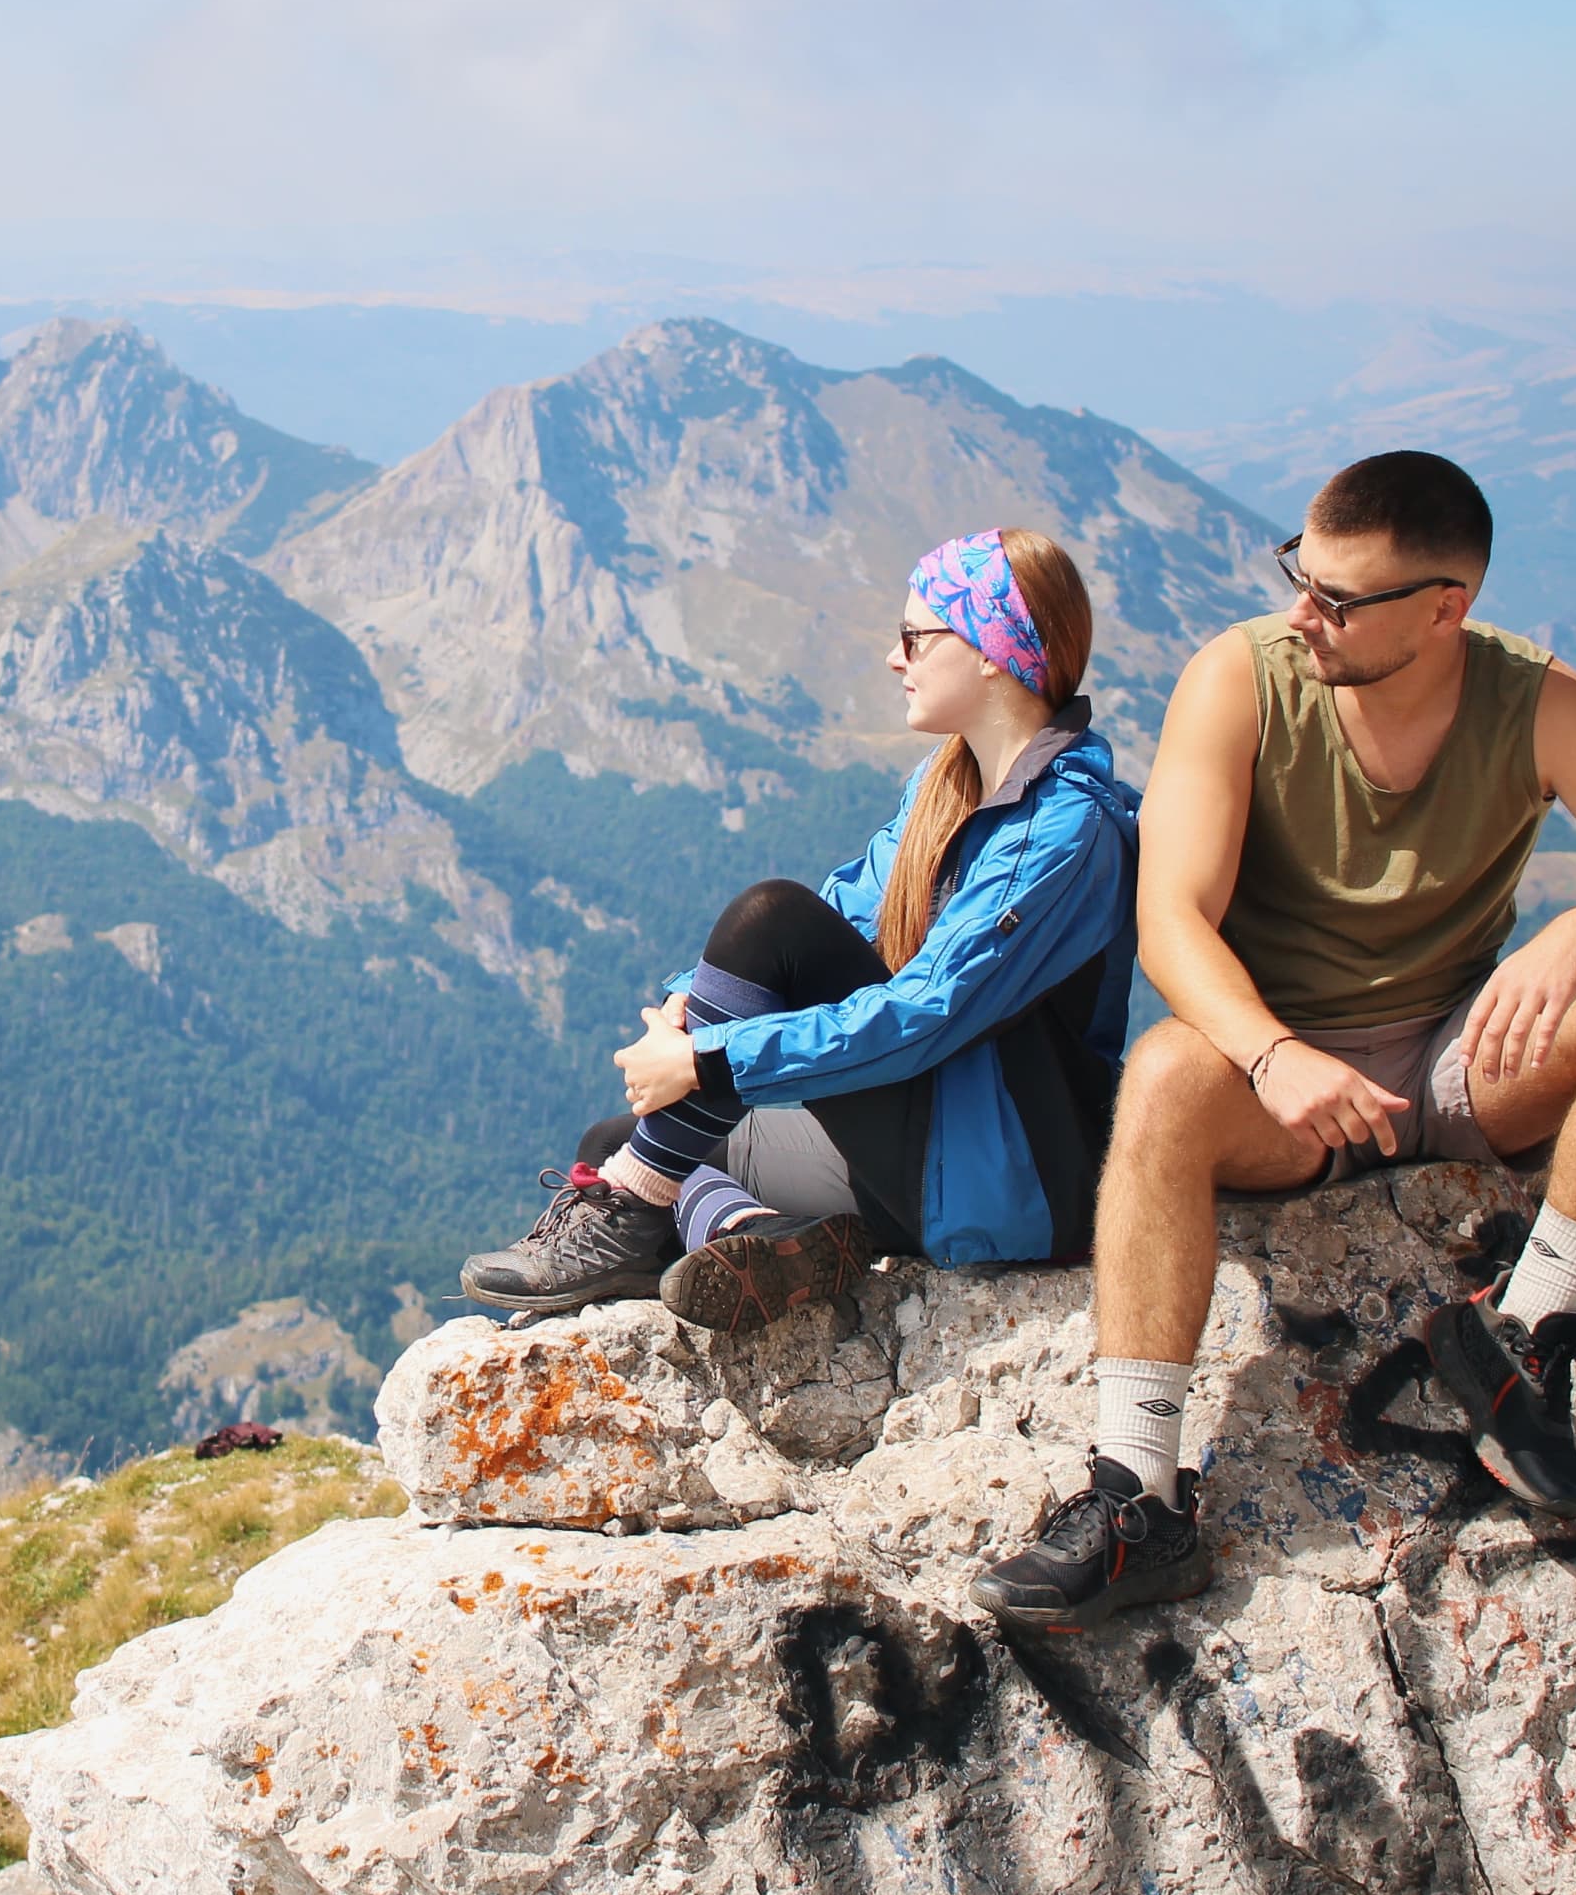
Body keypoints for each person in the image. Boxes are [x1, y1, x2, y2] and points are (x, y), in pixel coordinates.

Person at [972, 450, 1576, 1631]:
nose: (1306, 612)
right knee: (1166, 1075)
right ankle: (1138, 1496)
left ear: (1447, 607)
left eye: (1341, 599)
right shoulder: (1242, 680)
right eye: (1303, 573)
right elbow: (1171, 923)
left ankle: (1523, 1340)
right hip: (1280, 1072)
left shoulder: (1535, 703)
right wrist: (1269, 1054)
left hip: (1455, 1055)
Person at [460, 528, 1137, 1333]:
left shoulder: (1063, 830)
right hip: (931, 1149)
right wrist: (691, 1008)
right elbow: (849, 909)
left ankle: (656, 1222)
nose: (896, 658)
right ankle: (759, 1236)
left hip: (1014, 1181)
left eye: (916, 637)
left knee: (767, 920)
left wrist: (710, 1062)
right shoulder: (950, 783)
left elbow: (926, 1013)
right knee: (622, 1138)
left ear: (992, 650)